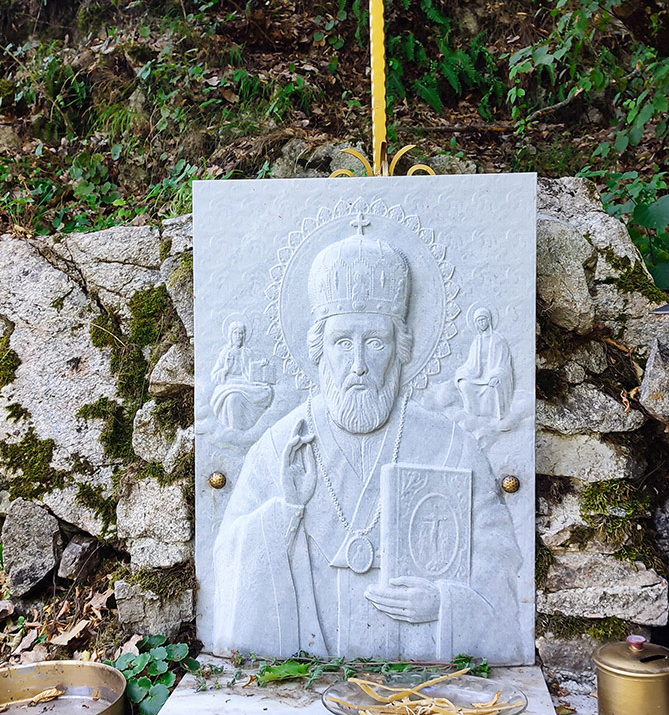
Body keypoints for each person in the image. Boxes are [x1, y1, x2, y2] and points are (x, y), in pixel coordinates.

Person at [212, 225, 522, 662]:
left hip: (418, 677)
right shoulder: (281, 446)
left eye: (375, 342)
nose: (358, 364)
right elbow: (228, 558)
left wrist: (443, 603)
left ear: (400, 347)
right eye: (342, 342)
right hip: (308, 672)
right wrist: (286, 510)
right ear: (319, 349)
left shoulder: (451, 446)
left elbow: (500, 563)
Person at [210, 320, 273, 430]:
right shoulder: (225, 353)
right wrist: (226, 369)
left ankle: (251, 429)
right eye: (235, 333)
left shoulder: (247, 352)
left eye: (241, 333)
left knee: (267, 391)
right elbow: (214, 376)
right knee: (234, 398)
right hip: (229, 385)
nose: (238, 336)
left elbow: (252, 370)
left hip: (246, 384)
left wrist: (261, 365)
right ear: (230, 335)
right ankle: (235, 430)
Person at [455, 306, 514, 420]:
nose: (481, 323)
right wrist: (462, 372)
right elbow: (470, 363)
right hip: (477, 377)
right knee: (464, 384)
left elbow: (504, 364)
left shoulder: (498, 340)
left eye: (483, 319)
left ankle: (492, 417)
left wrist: (497, 376)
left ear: (489, 320)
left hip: (492, 376)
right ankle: (473, 415)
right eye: (478, 321)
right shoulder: (476, 341)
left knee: (493, 388)